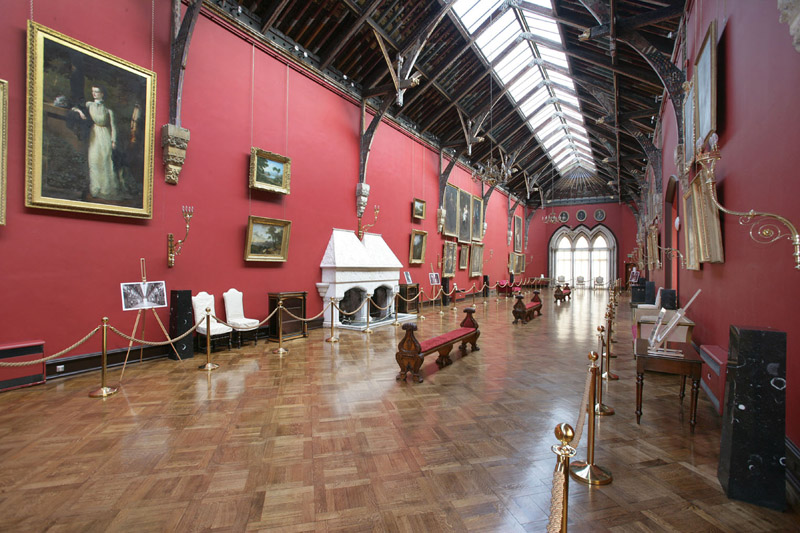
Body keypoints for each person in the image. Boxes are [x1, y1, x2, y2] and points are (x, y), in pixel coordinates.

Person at [73, 86, 118, 200]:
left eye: (97, 92)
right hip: (94, 134)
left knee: (105, 161)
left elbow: (113, 127)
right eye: (93, 91)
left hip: (105, 135)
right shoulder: (89, 105)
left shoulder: (108, 110)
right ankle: (95, 188)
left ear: (102, 94)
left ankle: (105, 189)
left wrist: (113, 141)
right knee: (93, 160)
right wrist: (80, 112)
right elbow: (74, 108)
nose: (94, 94)